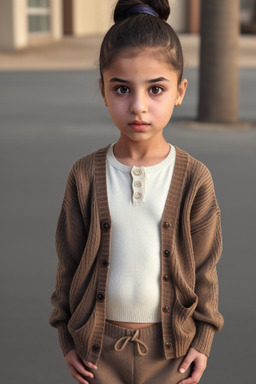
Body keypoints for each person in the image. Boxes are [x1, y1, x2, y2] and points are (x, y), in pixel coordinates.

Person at [49, 1, 224, 383]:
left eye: (156, 89)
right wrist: (66, 337)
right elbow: (69, 264)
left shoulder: (194, 178)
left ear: (180, 91)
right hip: (96, 353)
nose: (138, 107)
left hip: (172, 353)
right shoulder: (83, 176)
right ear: (103, 90)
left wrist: (203, 338)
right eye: (122, 89)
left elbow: (204, 269)